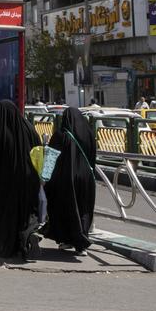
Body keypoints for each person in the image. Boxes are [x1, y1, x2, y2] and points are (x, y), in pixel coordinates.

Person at [0, 100, 43, 259]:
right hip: (30, 178)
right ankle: (28, 235)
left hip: (8, 180)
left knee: (7, 212)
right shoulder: (29, 129)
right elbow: (39, 151)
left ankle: (7, 247)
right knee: (26, 210)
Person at [43, 107, 96, 254]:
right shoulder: (89, 134)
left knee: (66, 209)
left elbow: (51, 158)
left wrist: (44, 178)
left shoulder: (60, 135)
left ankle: (67, 239)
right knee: (83, 209)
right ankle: (82, 242)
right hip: (86, 178)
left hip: (65, 179)